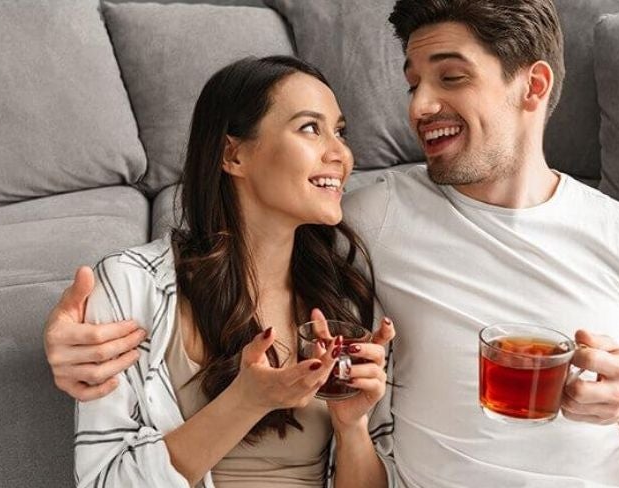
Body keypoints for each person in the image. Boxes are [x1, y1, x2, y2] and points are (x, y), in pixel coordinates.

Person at [46, 1, 619, 487]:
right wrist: (67, 336)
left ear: (534, 86)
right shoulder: (365, 220)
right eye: (413, 83)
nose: (419, 106)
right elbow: (217, 247)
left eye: (450, 77)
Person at [64, 55, 395, 488]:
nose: (341, 154)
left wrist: (352, 426)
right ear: (232, 154)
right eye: (310, 128)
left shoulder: (346, 300)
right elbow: (103, 481)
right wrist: (245, 402)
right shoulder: (131, 286)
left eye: (340, 132)